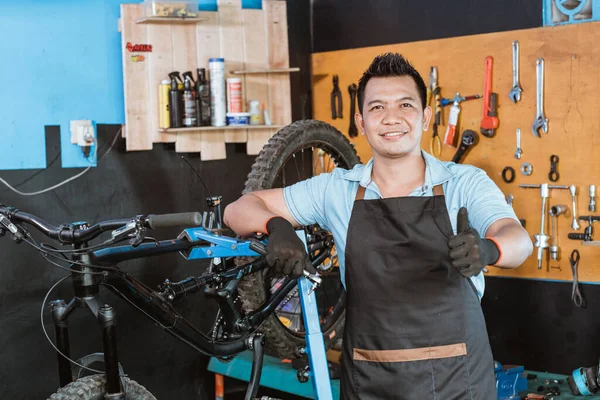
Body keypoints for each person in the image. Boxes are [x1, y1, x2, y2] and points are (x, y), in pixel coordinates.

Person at [223, 52, 533, 399]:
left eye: (405, 105)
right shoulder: (336, 188)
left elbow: (518, 240)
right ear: (360, 120)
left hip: (458, 382)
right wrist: (276, 225)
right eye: (377, 108)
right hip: (371, 380)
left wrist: (491, 249)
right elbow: (237, 210)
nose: (392, 119)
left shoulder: (464, 183)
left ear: (426, 117)